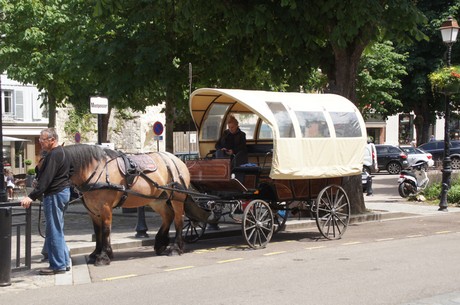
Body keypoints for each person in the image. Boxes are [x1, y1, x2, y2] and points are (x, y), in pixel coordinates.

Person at [20, 128, 71, 275]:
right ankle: (64, 262)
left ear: (52, 140)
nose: (40, 142)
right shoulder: (63, 152)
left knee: (53, 230)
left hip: (54, 194)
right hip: (62, 192)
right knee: (58, 229)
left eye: (43, 139)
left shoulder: (53, 155)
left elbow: (47, 179)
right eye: (40, 139)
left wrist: (31, 196)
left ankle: (58, 265)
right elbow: (70, 171)